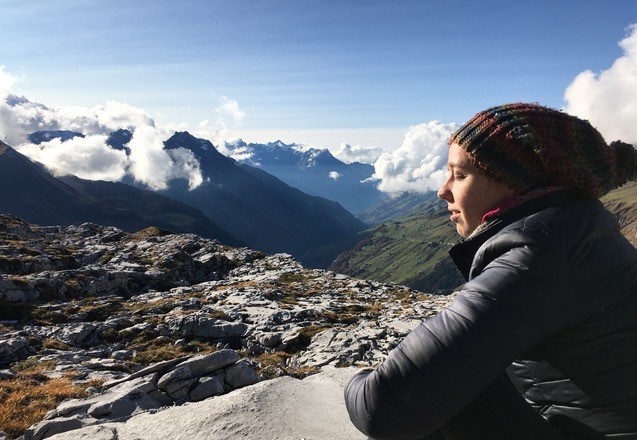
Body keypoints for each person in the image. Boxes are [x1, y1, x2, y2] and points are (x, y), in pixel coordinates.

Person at [344, 102, 637, 439]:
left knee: (447, 388)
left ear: (515, 183)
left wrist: (357, 379)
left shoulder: (537, 254)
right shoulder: (578, 229)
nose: (443, 190)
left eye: (460, 174)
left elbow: (379, 408)